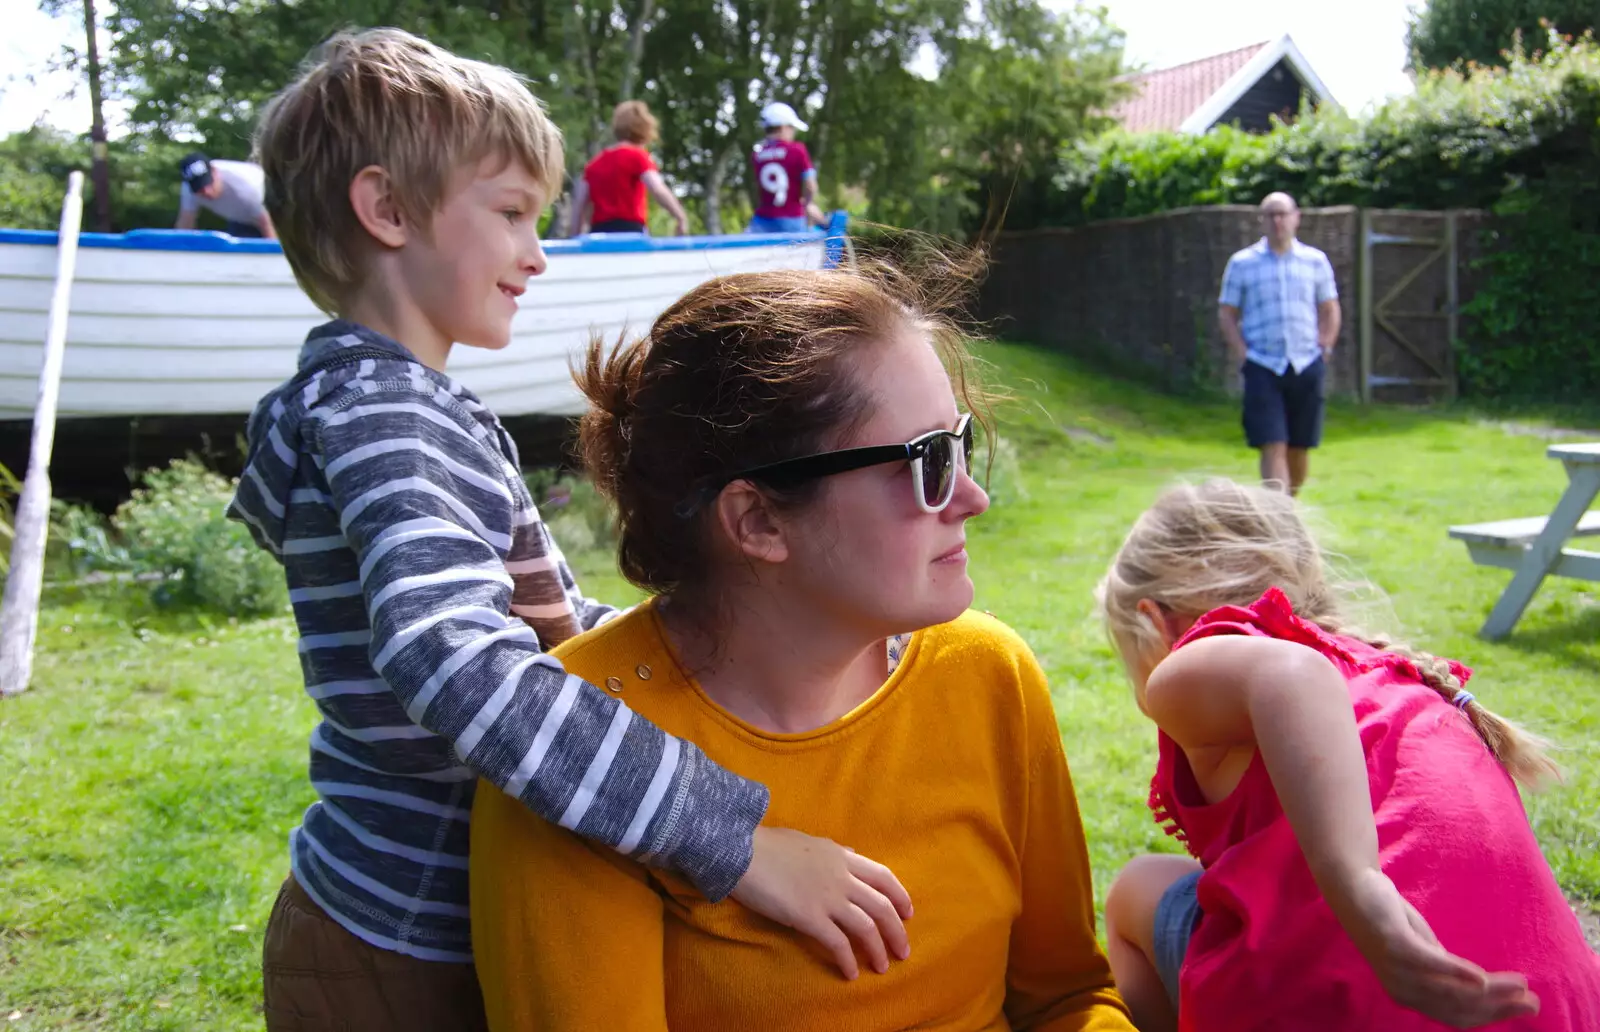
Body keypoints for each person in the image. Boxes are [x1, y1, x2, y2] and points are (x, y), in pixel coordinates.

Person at [226, 29, 913, 1032]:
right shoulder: (392, 415)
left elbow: (551, 633)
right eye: (509, 214)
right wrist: (734, 841)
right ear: (386, 210)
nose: (538, 254)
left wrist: (727, 647)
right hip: (404, 950)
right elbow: (455, 659)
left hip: (402, 924)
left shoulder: (373, 403)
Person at [470, 263, 1134, 1031]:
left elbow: (1068, 998)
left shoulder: (988, 674)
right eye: (926, 463)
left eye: (959, 444)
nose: (972, 498)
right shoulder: (574, 759)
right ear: (757, 521)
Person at [1096, 478, 1600, 1032]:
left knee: (1135, 891)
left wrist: (1359, 884)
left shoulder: (1198, 667)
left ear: (1156, 620)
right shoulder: (1395, 675)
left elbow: (1294, 674)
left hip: (1349, 1006)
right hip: (1557, 1013)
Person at [1217, 192, 1339, 496]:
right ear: (1262, 220)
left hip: (1305, 362)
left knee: (1299, 447)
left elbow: (1330, 308)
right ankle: (1278, 515)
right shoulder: (1242, 263)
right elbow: (1227, 312)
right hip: (1262, 364)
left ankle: (1290, 504)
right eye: (1270, 215)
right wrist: (1243, 355)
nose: (1277, 221)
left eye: (1283, 214)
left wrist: (1325, 347)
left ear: (1296, 218)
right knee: (1272, 442)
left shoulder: (1315, 261)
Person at [568, 100, 690, 236]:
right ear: (644, 128)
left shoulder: (593, 165)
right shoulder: (637, 156)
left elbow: (578, 206)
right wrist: (680, 217)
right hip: (630, 231)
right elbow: (657, 188)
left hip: (599, 232)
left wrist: (575, 240)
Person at [747, 101, 825, 233]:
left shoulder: (757, 155)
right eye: (792, 128)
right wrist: (808, 204)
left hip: (762, 221)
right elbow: (811, 185)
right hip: (792, 219)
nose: (793, 133)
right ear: (783, 127)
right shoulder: (797, 150)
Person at [175, 152, 277, 239]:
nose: (207, 192)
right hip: (240, 219)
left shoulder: (246, 184)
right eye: (200, 189)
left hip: (275, 214)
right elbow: (185, 226)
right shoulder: (189, 189)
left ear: (215, 172)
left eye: (208, 183)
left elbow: (268, 225)